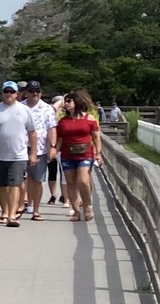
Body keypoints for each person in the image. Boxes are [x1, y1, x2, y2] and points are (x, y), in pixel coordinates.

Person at [0, 80, 36, 227]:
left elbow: (32, 133)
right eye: (6, 92)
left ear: (17, 94)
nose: (9, 94)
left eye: (12, 92)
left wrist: (33, 154)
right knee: (0, 185)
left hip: (18, 155)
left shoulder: (24, 110)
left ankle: (12, 215)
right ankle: (4, 212)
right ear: (2, 93)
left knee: (15, 184)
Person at [56, 89, 104, 221]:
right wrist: (54, 152)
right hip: (67, 155)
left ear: (76, 102)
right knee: (70, 183)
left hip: (85, 154)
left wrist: (98, 153)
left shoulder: (89, 118)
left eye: (69, 101)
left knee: (82, 181)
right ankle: (76, 211)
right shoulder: (63, 121)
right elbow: (59, 139)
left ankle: (87, 206)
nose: (66, 103)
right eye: (65, 101)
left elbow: (96, 138)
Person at [19, 82, 56, 220]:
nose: (35, 93)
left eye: (37, 91)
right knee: (20, 179)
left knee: (37, 180)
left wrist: (52, 147)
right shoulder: (20, 107)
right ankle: (21, 205)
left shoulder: (47, 108)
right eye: (32, 90)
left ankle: (35, 210)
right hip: (21, 148)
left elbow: (52, 128)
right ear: (27, 92)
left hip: (40, 149)